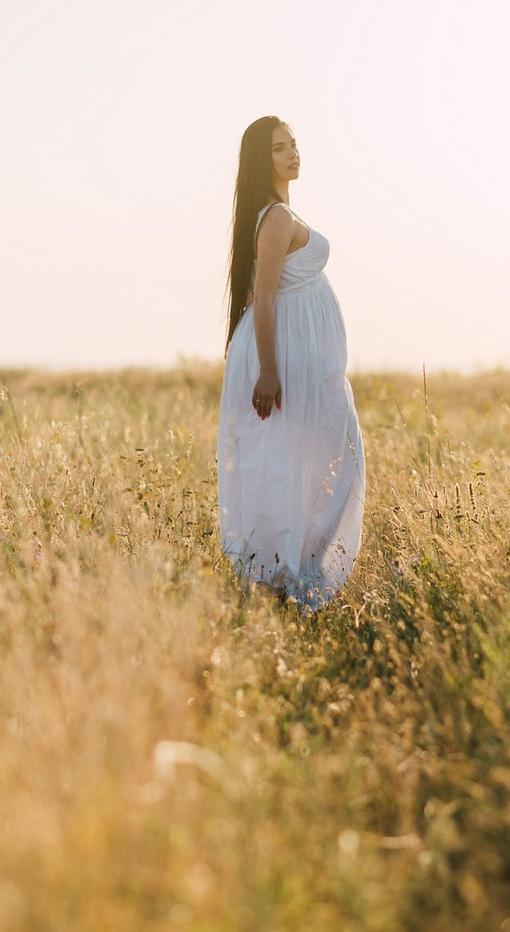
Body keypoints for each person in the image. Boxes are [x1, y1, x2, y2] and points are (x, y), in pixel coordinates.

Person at [217, 116, 365, 612]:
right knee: (286, 468)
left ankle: (290, 583)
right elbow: (263, 301)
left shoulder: (280, 214)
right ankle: (280, 586)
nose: (293, 154)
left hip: (302, 366)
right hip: (280, 364)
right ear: (264, 160)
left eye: (294, 144)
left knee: (308, 465)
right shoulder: (276, 218)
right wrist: (269, 370)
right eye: (280, 148)